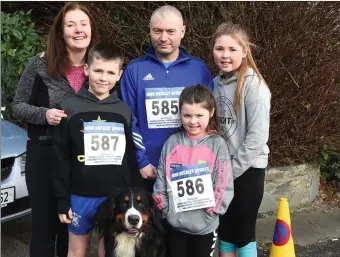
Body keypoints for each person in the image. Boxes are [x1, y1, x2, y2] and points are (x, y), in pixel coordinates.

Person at [11, 3, 99, 257]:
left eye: (83, 24)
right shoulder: (40, 64)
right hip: (44, 156)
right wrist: (44, 115)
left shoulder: (98, 67)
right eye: (70, 25)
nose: (78, 30)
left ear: (91, 29)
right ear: (61, 32)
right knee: (43, 228)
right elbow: (17, 106)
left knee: (70, 227)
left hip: (81, 159)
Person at [53, 42, 141, 257]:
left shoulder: (124, 110)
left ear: (119, 75)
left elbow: (130, 156)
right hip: (80, 196)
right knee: (76, 251)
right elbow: (60, 157)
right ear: (86, 69)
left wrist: (135, 192)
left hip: (115, 196)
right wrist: (62, 199)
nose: (103, 78)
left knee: (110, 251)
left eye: (110, 72)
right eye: (98, 70)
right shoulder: (70, 107)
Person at [120, 5, 214, 192]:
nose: (163, 38)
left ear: (183, 31)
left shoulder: (199, 69)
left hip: (190, 168)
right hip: (148, 169)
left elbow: (209, 119)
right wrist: (142, 161)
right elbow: (128, 119)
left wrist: (203, 159)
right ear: (150, 31)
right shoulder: (134, 70)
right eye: (157, 31)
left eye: (170, 31)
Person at [153, 85, 234, 257]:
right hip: (175, 225)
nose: (193, 121)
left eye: (199, 115)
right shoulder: (172, 143)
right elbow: (161, 179)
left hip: (204, 227)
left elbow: (223, 182)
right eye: (187, 115)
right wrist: (167, 210)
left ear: (211, 112)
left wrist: (212, 211)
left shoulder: (217, 144)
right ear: (180, 113)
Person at [212, 22, 271, 257]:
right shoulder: (216, 83)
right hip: (222, 169)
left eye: (232, 49)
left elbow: (257, 139)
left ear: (244, 51)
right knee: (225, 230)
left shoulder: (254, 85)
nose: (225, 55)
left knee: (243, 231)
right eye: (219, 48)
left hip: (247, 170)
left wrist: (230, 171)